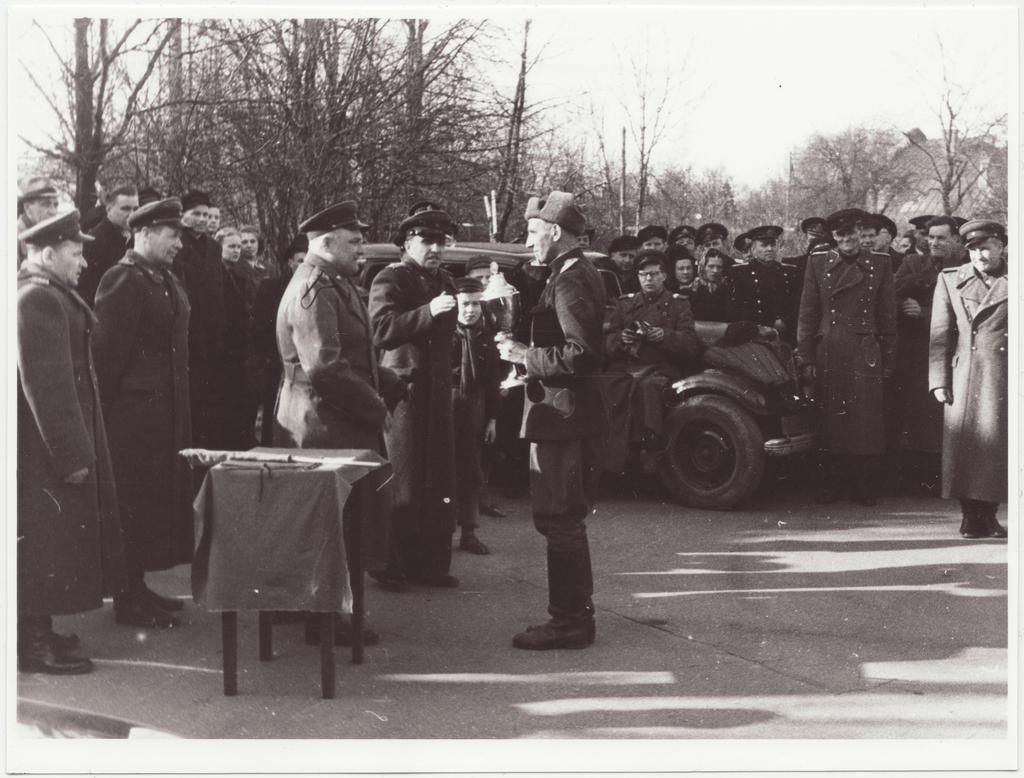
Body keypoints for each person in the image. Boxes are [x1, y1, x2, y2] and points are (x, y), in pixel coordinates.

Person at [275, 201, 406, 644]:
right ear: (326, 242)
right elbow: (325, 369)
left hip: (334, 419)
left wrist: (388, 380)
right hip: (322, 424)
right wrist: (375, 405)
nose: (362, 248)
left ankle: (329, 612)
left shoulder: (334, 283)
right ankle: (323, 620)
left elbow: (352, 354)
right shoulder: (314, 288)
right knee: (331, 524)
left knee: (344, 522)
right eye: (354, 241)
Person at [495, 191, 608, 650]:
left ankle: (569, 623)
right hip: (565, 415)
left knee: (560, 518)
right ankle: (574, 616)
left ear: (555, 232)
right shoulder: (570, 273)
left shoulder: (570, 279)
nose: (528, 241)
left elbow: (582, 354)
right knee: (563, 519)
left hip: (564, 419)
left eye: (533, 232)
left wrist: (524, 355)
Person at [17, 210, 126, 674]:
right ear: (47, 253)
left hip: (45, 445)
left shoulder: (50, 295)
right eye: (76, 252)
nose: (84, 261)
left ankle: (36, 632)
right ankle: (32, 645)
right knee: (39, 544)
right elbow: (48, 388)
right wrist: (72, 456)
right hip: (40, 449)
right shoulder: (36, 300)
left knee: (46, 543)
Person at [93, 198, 193, 628]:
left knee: (150, 502)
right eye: (173, 235)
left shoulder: (162, 278)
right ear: (146, 233)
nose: (179, 244)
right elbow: (105, 358)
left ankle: (137, 585)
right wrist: (111, 418)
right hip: (131, 420)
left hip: (161, 416)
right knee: (131, 503)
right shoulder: (123, 278)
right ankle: (127, 596)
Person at [369, 202, 461, 590]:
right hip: (403, 389)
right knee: (402, 477)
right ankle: (391, 565)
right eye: (427, 241)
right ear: (408, 242)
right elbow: (380, 328)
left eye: (442, 242)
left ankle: (431, 565)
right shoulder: (390, 278)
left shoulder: (445, 281)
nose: (436, 250)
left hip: (437, 389)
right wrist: (427, 312)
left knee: (437, 477)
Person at [797, 208, 897, 505]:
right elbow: (808, 312)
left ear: (860, 233)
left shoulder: (880, 263)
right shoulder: (817, 262)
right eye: (840, 234)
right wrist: (806, 356)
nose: (847, 239)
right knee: (831, 418)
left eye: (852, 233)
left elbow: (888, 314)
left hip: (865, 349)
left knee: (865, 422)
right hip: (829, 349)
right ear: (834, 237)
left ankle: (863, 486)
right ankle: (832, 484)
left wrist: (889, 358)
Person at [929, 219, 1008, 539]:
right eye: (973, 250)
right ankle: (969, 517)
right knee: (964, 448)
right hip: (965, 374)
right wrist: (938, 380)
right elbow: (939, 334)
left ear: (1002, 247)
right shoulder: (950, 280)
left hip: (1004, 375)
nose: (980, 255)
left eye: (986, 248)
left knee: (997, 447)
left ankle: (989, 516)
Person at [603, 249, 700, 474]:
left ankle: (652, 451)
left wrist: (665, 336)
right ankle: (615, 458)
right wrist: (621, 340)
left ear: (665, 276)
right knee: (608, 385)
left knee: (649, 388)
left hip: (662, 368)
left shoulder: (679, 305)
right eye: (644, 274)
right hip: (628, 367)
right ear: (637, 276)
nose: (649, 279)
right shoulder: (625, 304)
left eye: (654, 274)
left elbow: (691, 344)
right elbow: (606, 341)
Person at [890, 216, 967, 494]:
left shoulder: (968, 267)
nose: (933, 242)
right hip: (917, 355)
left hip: (955, 352)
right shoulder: (913, 262)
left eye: (941, 238)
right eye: (930, 237)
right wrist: (906, 303)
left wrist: (923, 313)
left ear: (957, 240)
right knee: (919, 417)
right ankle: (921, 478)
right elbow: (892, 290)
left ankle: (948, 477)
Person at [172, 190, 229, 451]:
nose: (203, 219)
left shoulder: (214, 248)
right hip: (188, 334)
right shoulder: (176, 244)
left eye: (207, 214)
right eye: (196, 214)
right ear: (183, 215)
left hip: (212, 338)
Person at [450, 276, 502, 555]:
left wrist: (492, 419)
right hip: (447, 402)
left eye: (475, 305)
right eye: (465, 304)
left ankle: (469, 532)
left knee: (472, 468)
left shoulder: (486, 338)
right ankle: (442, 530)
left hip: (475, 406)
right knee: (444, 467)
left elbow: (493, 382)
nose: (470, 310)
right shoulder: (444, 333)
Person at [252, 234, 307, 444]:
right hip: (277, 365)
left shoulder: (320, 290)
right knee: (274, 419)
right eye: (300, 260)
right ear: (291, 262)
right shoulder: (271, 288)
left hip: (307, 370)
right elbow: (259, 330)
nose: (304, 265)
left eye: (308, 260)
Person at [218, 227, 259, 449]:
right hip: (226, 351)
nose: (237, 250)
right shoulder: (217, 275)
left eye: (238, 246)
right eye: (231, 246)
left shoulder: (239, 274)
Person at [726, 225, 800, 344]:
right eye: (764, 245)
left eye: (773, 244)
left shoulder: (790, 272)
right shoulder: (739, 272)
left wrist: (785, 321)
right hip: (754, 334)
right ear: (753, 249)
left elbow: (797, 305)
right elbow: (735, 308)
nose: (769, 249)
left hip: (785, 334)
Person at [80, 185, 138, 307]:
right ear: (109, 209)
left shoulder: (132, 237)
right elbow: (88, 292)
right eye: (125, 209)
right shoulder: (95, 240)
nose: (132, 214)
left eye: (135, 208)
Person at [17, 176, 60, 267]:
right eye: (46, 204)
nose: (53, 212)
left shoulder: (48, 234)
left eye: (55, 205)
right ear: (28, 208)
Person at [690, 248, 731, 322]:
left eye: (719, 267)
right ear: (703, 267)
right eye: (711, 266)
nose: (715, 271)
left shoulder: (726, 288)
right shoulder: (693, 288)